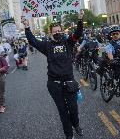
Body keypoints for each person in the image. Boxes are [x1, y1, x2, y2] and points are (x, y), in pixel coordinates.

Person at [22, 11, 84, 139]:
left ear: (62, 31)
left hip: (69, 83)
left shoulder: (68, 42)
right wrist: (27, 27)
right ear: (51, 33)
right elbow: (33, 41)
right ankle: (69, 135)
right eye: (55, 31)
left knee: (73, 109)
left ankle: (76, 124)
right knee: (63, 112)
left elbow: (78, 33)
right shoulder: (47, 45)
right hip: (54, 85)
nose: (57, 33)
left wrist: (80, 20)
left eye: (59, 30)